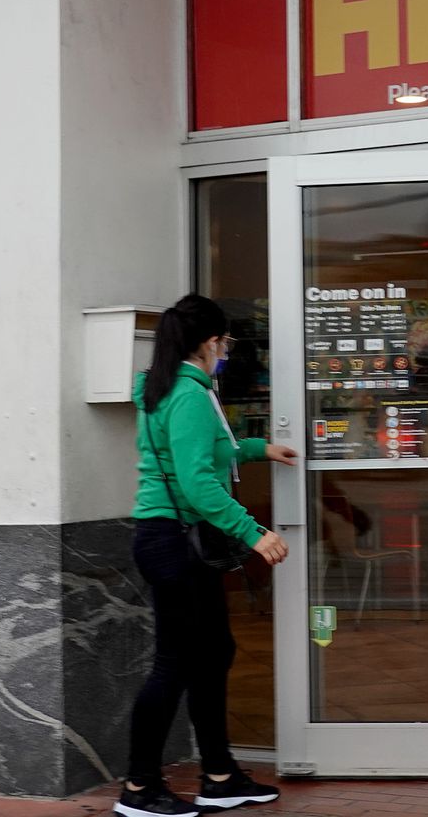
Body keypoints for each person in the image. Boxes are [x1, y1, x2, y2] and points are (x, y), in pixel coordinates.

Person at [119, 295, 295, 816]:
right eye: (225, 341)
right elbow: (197, 482)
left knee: (215, 651)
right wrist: (254, 533)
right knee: (173, 664)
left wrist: (258, 448)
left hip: (170, 537)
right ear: (207, 342)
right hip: (174, 540)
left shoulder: (167, 388)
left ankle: (219, 776)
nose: (226, 351)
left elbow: (200, 451)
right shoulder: (190, 394)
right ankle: (138, 789)